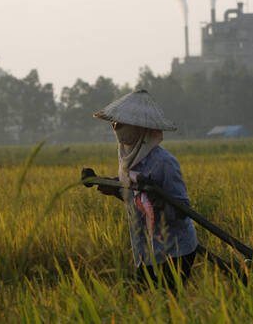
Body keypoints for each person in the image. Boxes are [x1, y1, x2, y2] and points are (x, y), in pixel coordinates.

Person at [83, 89, 198, 290]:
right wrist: (105, 183)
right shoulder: (127, 158)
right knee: (143, 303)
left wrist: (158, 202)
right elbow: (131, 194)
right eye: (115, 123)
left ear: (140, 127)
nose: (116, 128)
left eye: (122, 124)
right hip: (146, 250)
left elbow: (182, 209)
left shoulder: (165, 163)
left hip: (175, 250)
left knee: (167, 304)